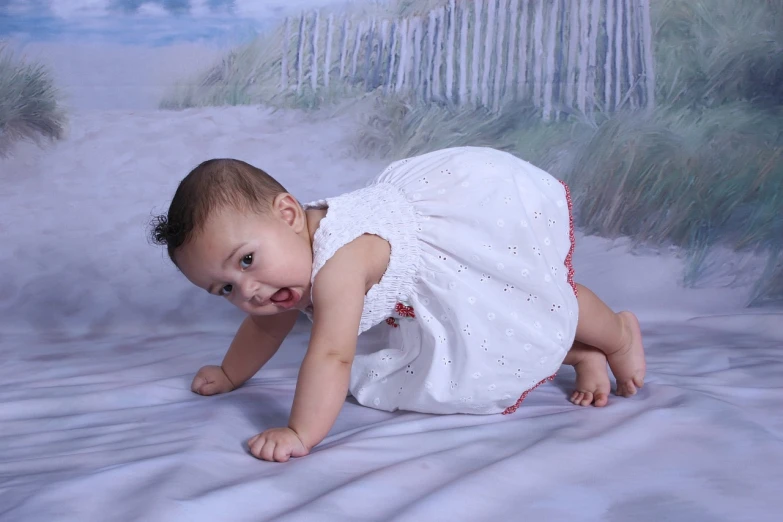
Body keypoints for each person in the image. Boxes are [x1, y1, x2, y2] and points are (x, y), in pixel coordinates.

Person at [150, 146, 645, 463]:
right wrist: (232, 373)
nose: (249, 290)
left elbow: (331, 355)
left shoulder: (338, 266)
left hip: (453, 238)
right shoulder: (286, 266)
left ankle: (618, 333)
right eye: (225, 289)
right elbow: (264, 329)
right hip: (421, 294)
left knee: (531, 296)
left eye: (247, 261)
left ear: (287, 214)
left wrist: (300, 432)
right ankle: (580, 353)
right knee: (491, 329)